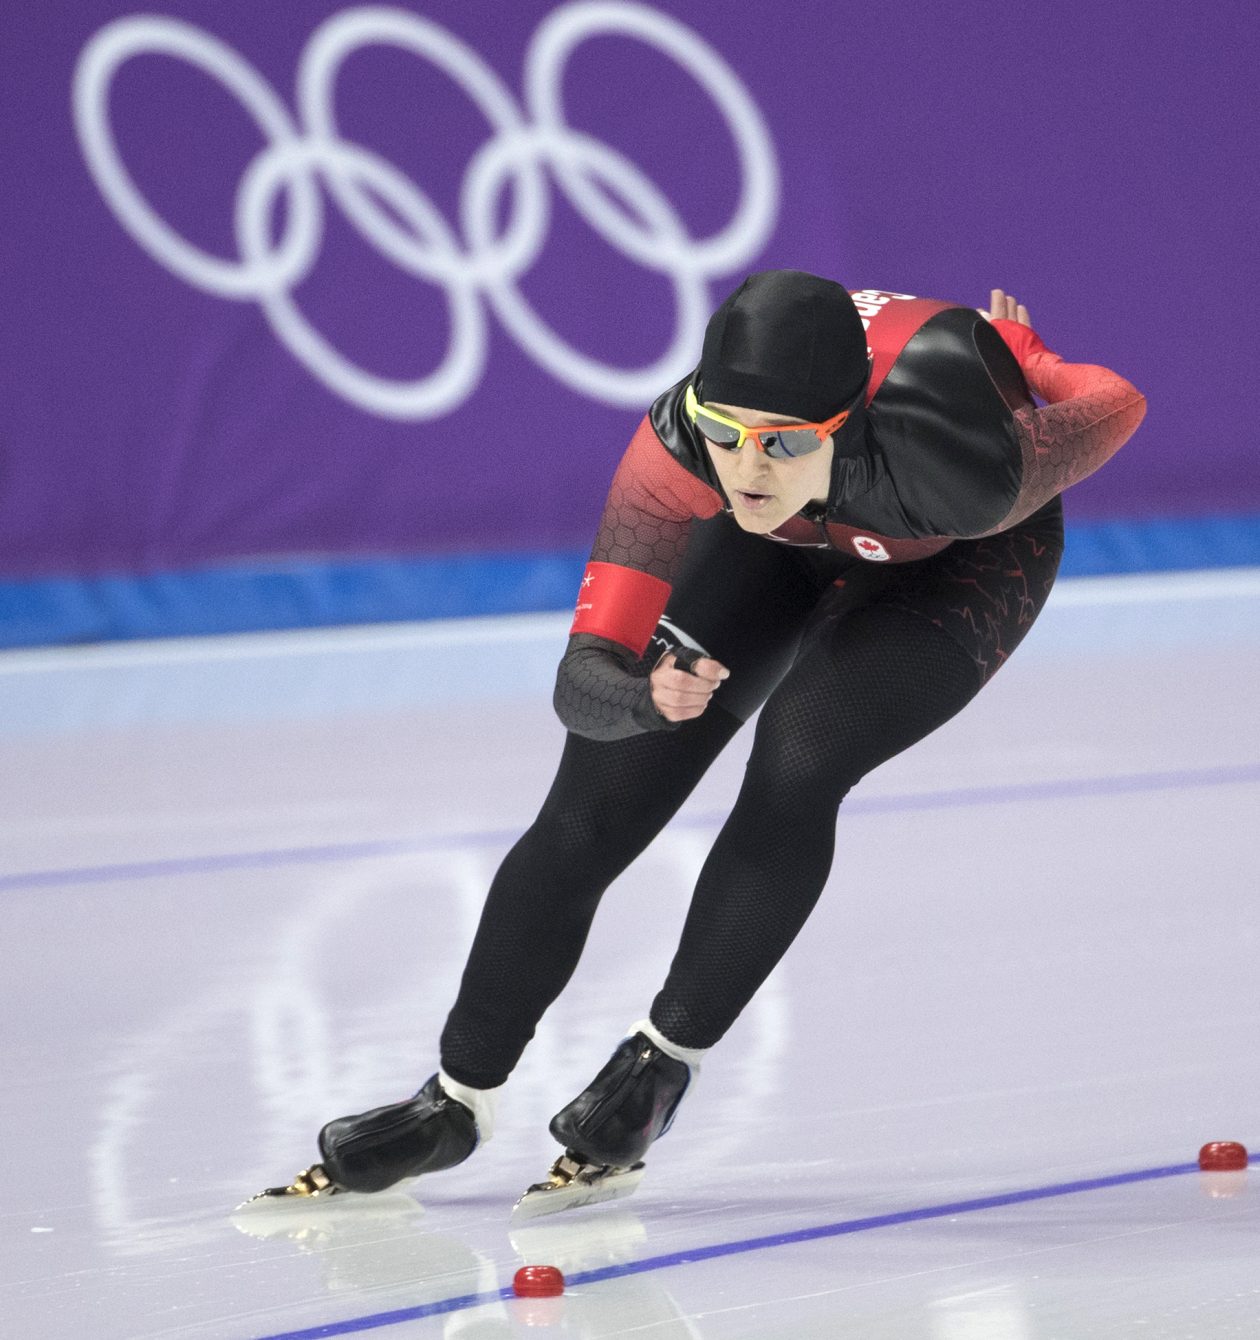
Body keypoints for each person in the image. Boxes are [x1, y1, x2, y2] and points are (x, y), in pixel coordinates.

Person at [291, 272, 1147, 1198]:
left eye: (780, 444)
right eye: (726, 433)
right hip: (771, 550)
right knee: (592, 806)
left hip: (949, 562)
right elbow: (580, 684)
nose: (747, 469)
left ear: (846, 423)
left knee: (799, 757)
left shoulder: (966, 461)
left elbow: (1116, 402)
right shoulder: (675, 446)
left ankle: (663, 1062)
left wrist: (1029, 359)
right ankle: (454, 1100)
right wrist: (643, 701)